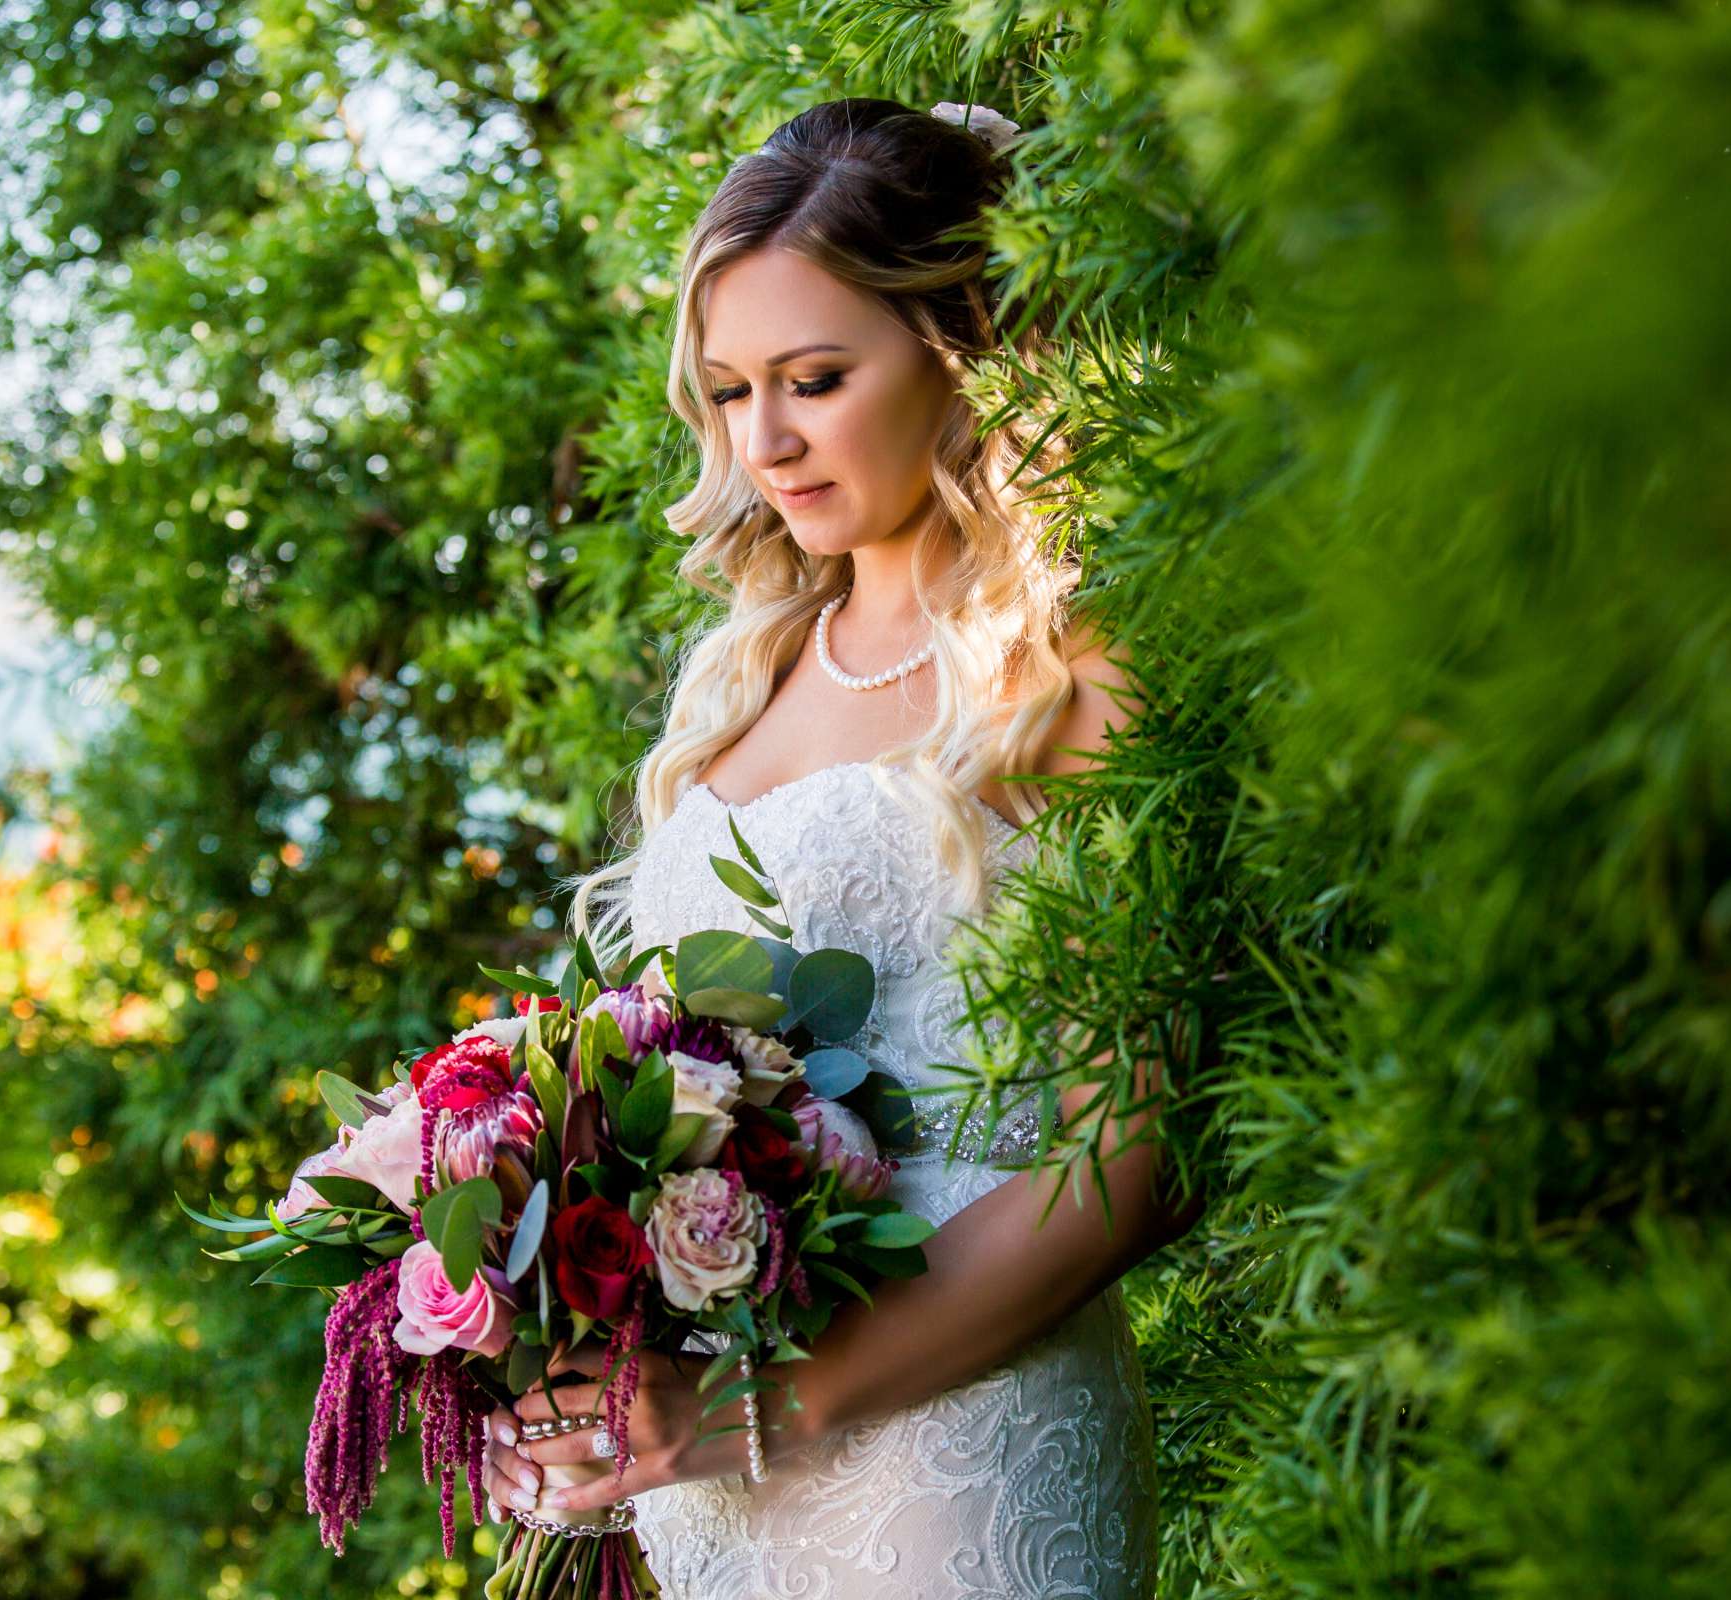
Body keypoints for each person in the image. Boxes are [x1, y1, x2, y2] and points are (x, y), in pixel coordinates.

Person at [476, 96, 1201, 1596]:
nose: (768, 441)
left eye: (816, 378)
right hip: (720, 1499)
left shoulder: (1075, 675)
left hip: (963, 1463)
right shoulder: (745, 674)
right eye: (734, 391)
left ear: (964, 350)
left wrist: (756, 1406)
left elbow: (1140, 1157)